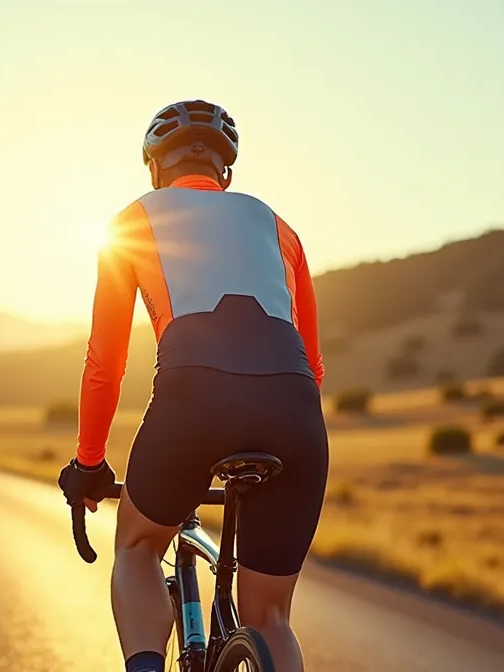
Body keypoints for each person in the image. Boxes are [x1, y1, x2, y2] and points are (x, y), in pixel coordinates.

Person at [57, 99, 328, 672]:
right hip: (294, 407)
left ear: (155, 167)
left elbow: (104, 362)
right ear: (226, 171)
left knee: (135, 548)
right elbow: (314, 364)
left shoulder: (133, 219)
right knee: (271, 616)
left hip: (192, 399)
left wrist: (88, 464)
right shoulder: (278, 227)